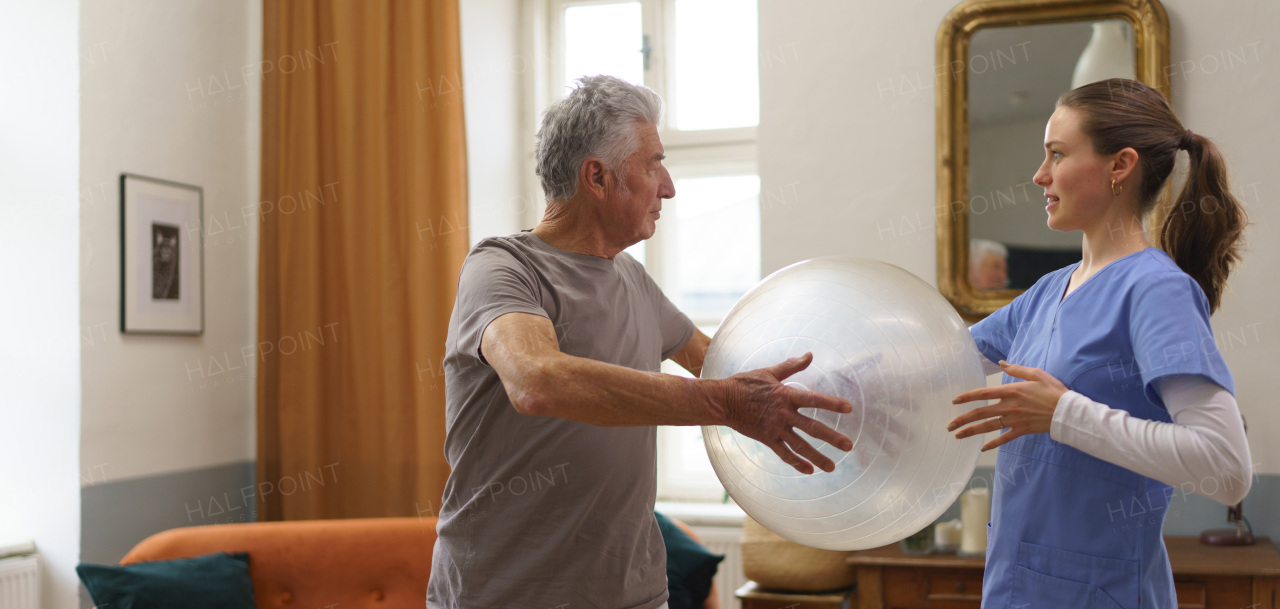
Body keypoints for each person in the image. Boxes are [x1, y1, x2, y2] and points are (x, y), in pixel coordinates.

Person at [426, 75, 853, 609]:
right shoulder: (503, 267)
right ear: (598, 178)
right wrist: (725, 403)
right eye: (653, 163)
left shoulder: (632, 279)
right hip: (503, 596)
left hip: (636, 595)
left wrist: (855, 381)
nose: (669, 186)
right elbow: (537, 380)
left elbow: (725, 362)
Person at [947, 78, 1252, 608]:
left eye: (1057, 154)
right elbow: (935, 364)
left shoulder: (1156, 288)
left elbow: (1226, 470)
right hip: (1014, 590)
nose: (1040, 175)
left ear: (1120, 166)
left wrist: (1062, 412)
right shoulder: (1047, 291)